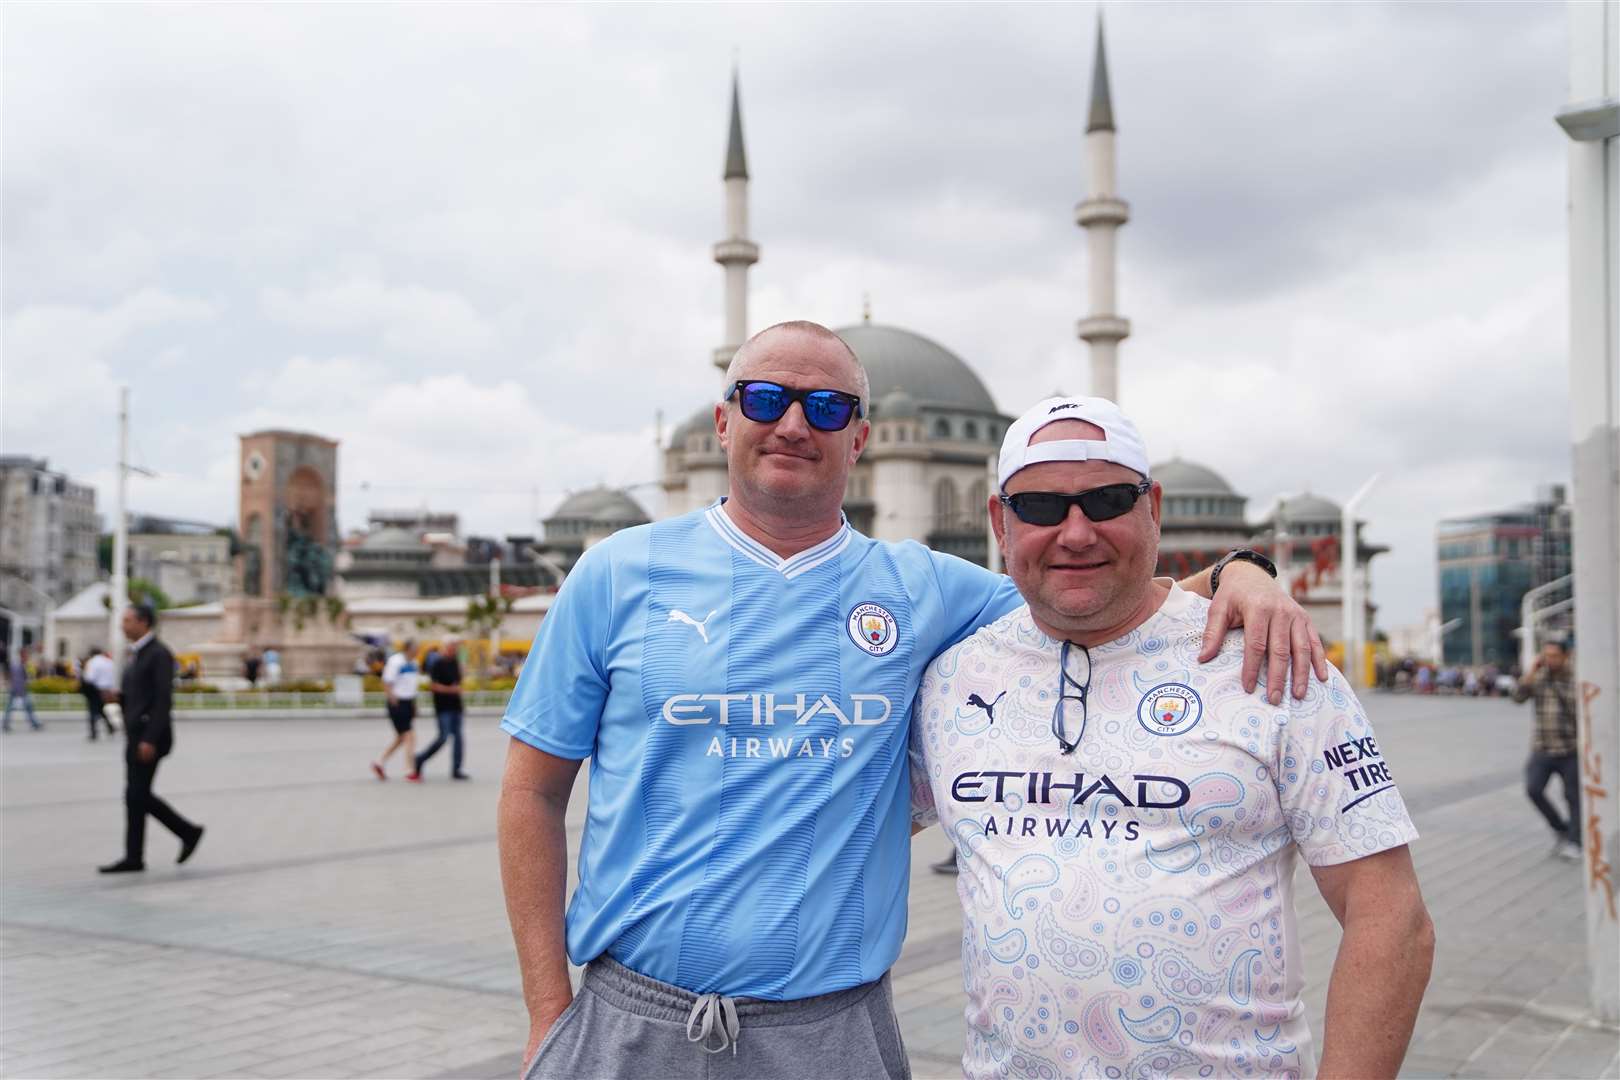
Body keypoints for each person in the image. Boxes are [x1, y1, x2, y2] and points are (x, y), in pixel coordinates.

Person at [497, 321, 1326, 1080]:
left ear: (861, 437)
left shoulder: (924, 589)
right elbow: (532, 791)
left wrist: (1240, 570)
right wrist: (548, 1012)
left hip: (831, 1032)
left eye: (826, 407)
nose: (793, 424)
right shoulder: (617, 574)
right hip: (629, 1022)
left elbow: (1105, 601)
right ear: (724, 421)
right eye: (764, 399)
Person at [911, 397, 1434, 1079]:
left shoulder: (1272, 660)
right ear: (999, 524)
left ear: (1151, 508)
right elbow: (844, 830)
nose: (1075, 533)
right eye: (1040, 507)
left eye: (1106, 501)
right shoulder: (952, 679)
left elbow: (1391, 916)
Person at [99, 603, 204, 873]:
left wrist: (150, 738)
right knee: (135, 795)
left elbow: (162, 700)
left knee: (137, 794)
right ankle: (135, 856)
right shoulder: (138, 654)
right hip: (137, 734)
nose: (123, 625)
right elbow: (141, 696)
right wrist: (119, 699)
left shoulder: (158, 654)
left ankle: (187, 832)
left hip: (149, 737)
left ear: (144, 622)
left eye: (127, 620)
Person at [1513, 639, 1582, 860]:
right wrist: (1530, 673)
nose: (1550, 660)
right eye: (1546, 655)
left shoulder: (1576, 678)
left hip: (1570, 748)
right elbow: (1517, 698)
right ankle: (1561, 828)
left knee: (1573, 797)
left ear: (1565, 655)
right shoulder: (1540, 677)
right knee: (1533, 789)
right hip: (1542, 748)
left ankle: (1575, 841)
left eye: (1554, 655)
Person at [415, 636, 469, 780]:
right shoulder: (437, 663)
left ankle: (456, 769)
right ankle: (420, 758)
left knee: (458, 738)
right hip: (443, 707)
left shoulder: (455, 662)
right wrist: (450, 690)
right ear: (446, 647)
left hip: (456, 706)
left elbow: (459, 681)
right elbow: (432, 686)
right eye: (452, 646)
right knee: (443, 737)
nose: (454, 649)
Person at [372, 638, 419, 781]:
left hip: (408, 701)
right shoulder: (396, 661)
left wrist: (414, 704)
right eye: (415, 648)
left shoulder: (414, 663)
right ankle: (409, 770)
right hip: (398, 702)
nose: (417, 651)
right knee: (410, 736)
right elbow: (387, 681)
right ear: (408, 648)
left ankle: (379, 762)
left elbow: (412, 685)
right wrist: (392, 699)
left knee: (401, 738)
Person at [3, 644, 43, 732]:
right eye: (25, 654)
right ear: (22, 654)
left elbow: (26, 676)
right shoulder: (17, 664)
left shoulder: (22, 664)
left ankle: (34, 723)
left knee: (27, 707)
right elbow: (16, 678)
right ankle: (6, 724)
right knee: (11, 707)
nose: (27, 656)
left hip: (20, 688)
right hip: (17, 689)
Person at [81, 646, 118, 740]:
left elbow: (89, 678)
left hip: (95, 689)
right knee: (101, 709)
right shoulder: (108, 661)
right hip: (106, 689)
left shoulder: (92, 662)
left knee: (92, 710)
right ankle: (110, 727)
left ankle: (93, 732)